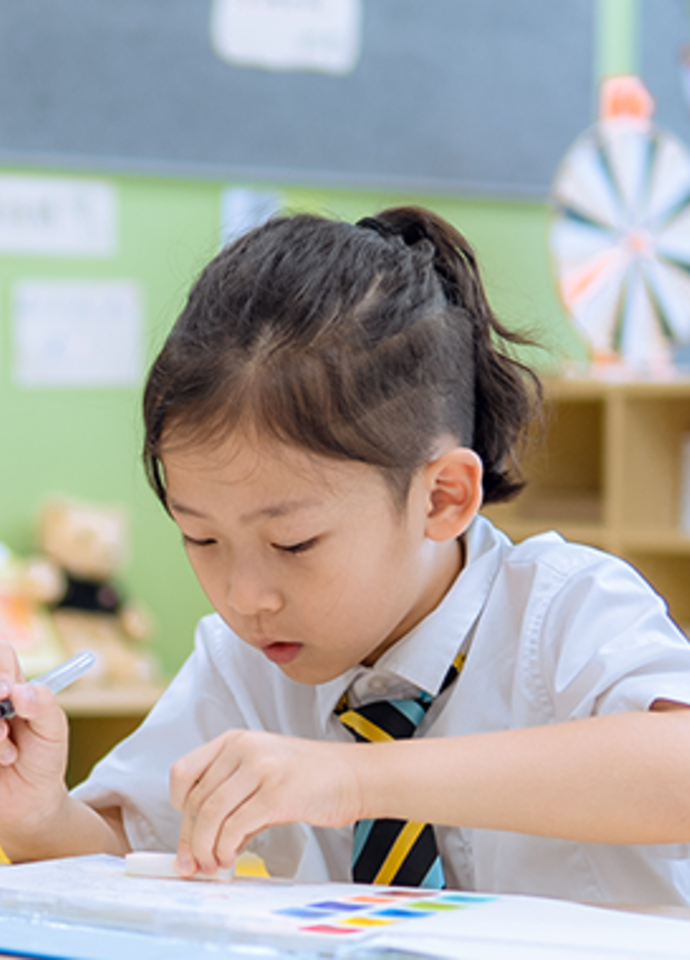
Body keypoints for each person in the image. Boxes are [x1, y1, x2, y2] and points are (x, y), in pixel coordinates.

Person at [2, 206, 690, 905]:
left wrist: (356, 780)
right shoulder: (244, 666)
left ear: (443, 498)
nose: (246, 597)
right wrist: (37, 816)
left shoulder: (560, 608)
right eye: (201, 538)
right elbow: (125, 851)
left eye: (294, 543)